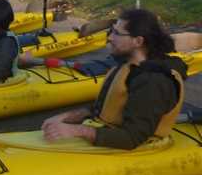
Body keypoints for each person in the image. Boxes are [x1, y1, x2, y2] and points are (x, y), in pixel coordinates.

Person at [41, 9, 187, 149]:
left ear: (138, 41)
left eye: (117, 33)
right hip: (109, 131)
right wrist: (67, 117)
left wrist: (77, 131)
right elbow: (105, 108)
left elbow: (132, 138)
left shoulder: (153, 81)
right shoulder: (128, 65)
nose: (110, 37)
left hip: (140, 147)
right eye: (112, 31)